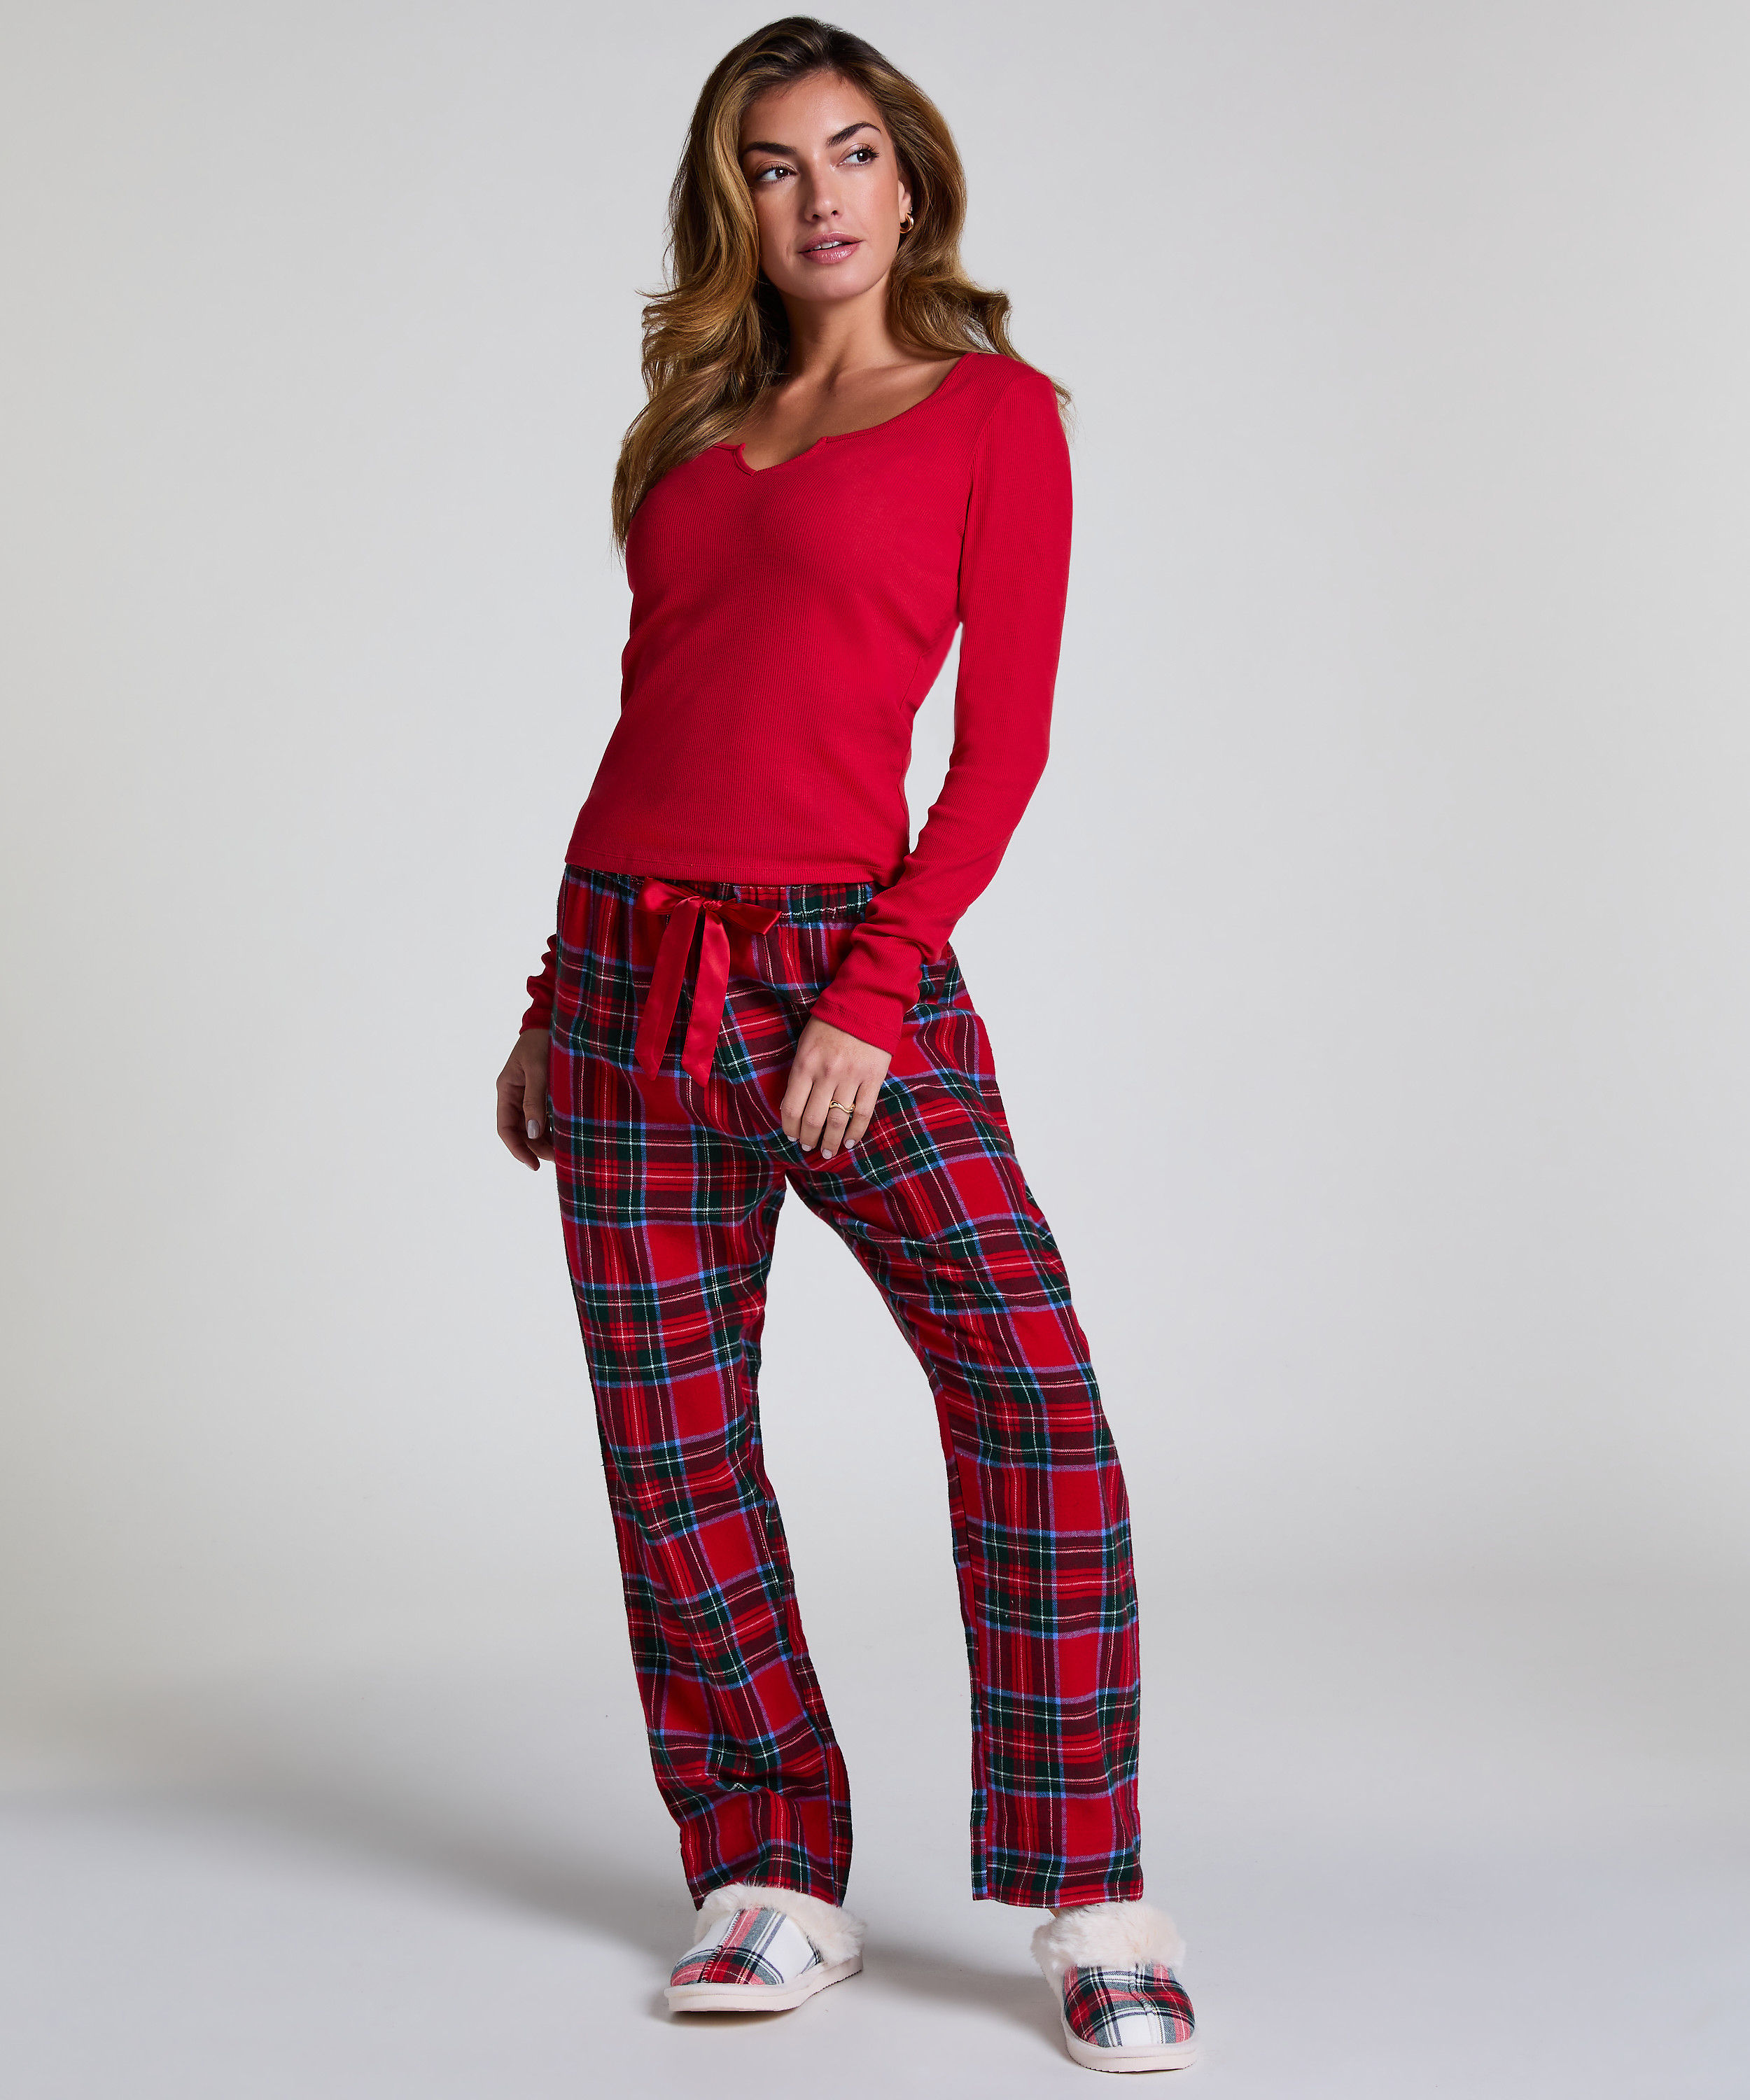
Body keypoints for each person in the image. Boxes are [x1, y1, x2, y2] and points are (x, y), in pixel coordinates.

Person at [495, 16, 1196, 2074]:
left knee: (1029, 1390)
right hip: (625, 968)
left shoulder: (991, 415)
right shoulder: (691, 430)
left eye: (853, 151)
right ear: (732, 200)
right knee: (672, 1441)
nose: (820, 196)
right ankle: (769, 1873)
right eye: (774, 163)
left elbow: (1003, 751)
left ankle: (1092, 1894)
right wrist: (549, 997)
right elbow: (660, 716)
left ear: (911, 178)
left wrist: (876, 993)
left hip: (837, 966)